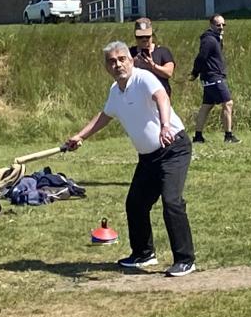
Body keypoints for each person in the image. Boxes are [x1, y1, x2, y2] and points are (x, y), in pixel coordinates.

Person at [66, 41, 196, 277]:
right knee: (135, 204)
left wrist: (165, 125)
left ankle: (185, 259)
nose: (117, 65)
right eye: (111, 61)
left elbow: (162, 98)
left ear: (130, 60)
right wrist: (79, 136)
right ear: (106, 66)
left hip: (173, 148)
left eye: (121, 59)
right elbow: (105, 116)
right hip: (148, 158)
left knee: (172, 201)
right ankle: (144, 254)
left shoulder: (143, 78)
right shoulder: (115, 91)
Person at [190, 13, 240, 144]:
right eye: (218, 25)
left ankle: (198, 136)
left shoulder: (216, 38)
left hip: (212, 76)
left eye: (223, 25)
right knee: (228, 103)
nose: (221, 27)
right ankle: (228, 136)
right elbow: (201, 57)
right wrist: (195, 72)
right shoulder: (209, 40)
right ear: (211, 25)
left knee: (206, 106)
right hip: (213, 77)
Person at [130, 17, 175, 97]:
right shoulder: (129, 53)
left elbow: (169, 73)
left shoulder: (163, 51)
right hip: (137, 97)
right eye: (140, 37)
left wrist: (152, 66)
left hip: (159, 98)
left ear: (152, 35)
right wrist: (132, 65)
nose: (144, 39)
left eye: (147, 36)